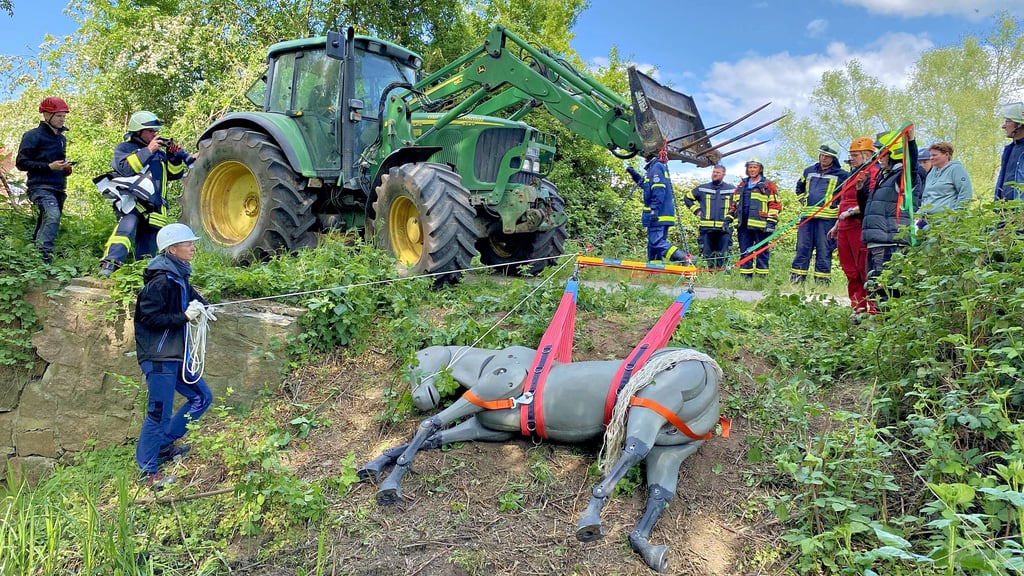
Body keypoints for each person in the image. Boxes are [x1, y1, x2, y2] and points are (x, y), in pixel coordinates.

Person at [134, 223, 214, 490]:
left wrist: (203, 307)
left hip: (177, 356)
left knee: (202, 397)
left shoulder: (179, 276)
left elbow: (197, 300)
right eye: (188, 243)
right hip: (159, 358)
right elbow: (149, 318)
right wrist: (183, 317)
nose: (193, 247)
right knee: (158, 413)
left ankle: (163, 444)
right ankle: (148, 472)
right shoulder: (160, 280)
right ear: (172, 249)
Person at [99, 111, 194, 277]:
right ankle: (109, 266)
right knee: (124, 233)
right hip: (133, 202)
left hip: (155, 206)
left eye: (155, 131)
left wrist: (174, 158)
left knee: (148, 245)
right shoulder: (125, 148)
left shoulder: (159, 154)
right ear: (138, 131)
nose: (155, 134)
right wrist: (148, 150)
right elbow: (125, 169)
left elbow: (174, 174)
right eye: (151, 131)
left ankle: (141, 276)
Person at [861, 128, 923, 305]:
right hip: (876, 242)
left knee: (887, 291)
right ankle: (879, 327)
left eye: (883, 152)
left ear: (894, 154)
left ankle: (890, 328)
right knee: (874, 289)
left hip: (891, 243)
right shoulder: (883, 177)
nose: (879, 157)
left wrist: (910, 143)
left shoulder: (902, 177)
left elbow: (911, 164)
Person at [15, 97, 72, 264]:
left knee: (45, 221)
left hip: (58, 188)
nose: (62, 119)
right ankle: (42, 260)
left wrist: (65, 168)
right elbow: (21, 163)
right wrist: (49, 166)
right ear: (47, 115)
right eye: (59, 116)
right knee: (52, 215)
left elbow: (57, 163)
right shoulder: (32, 136)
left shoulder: (61, 139)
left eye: (64, 116)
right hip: (39, 187)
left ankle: (31, 259)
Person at [828, 137, 880, 317]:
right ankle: (857, 307)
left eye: (855, 155)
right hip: (844, 227)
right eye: (851, 155)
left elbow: (871, 200)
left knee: (864, 269)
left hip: (859, 225)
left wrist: (851, 213)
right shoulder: (851, 175)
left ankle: (872, 309)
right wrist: (837, 224)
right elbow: (843, 202)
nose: (852, 159)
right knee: (849, 269)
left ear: (868, 155)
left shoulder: (873, 172)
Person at [790, 144, 848, 284]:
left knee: (824, 251)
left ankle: (821, 284)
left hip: (828, 219)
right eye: (822, 155)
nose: (823, 158)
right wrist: (805, 202)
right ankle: (796, 282)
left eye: (827, 156)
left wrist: (836, 207)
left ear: (833, 158)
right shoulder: (809, 171)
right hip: (807, 218)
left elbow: (846, 196)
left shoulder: (842, 175)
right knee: (802, 248)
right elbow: (799, 188)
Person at [626, 151, 690, 263]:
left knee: (656, 242)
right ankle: (654, 270)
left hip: (659, 214)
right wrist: (634, 175)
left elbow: (659, 190)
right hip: (662, 213)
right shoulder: (655, 168)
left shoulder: (656, 168)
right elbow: (646, 186)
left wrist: (654, 209)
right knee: (653, 245)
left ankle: (684, 258)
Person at [726, 159, 780, 280]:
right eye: (750, 167)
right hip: (743, 225)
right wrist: (728, 218)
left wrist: (771, 222)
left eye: (754, 167)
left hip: (761, 225)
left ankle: (761, 279)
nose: (752, 170)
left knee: (762, 251)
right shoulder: (742, 185)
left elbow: (775, 204)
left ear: (760, 169)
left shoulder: (768, 185)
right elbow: (734, 204)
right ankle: (746, 278)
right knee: (745, 251)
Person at [684, 164, 735, 268]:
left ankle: (723, 276)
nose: (715, 174)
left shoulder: (732, 189)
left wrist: (731, 218)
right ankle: (708, 276)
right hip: (706, 229)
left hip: (724, 229)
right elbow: (687, 198)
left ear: (724, 174)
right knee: (706, 254)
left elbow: (738, 206)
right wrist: (696, 210)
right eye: (714, 172)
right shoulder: (703, 188)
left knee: (724, 254)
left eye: (718, 172)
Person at [918, 142, 973, 228]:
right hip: (927, 221)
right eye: (930, 155)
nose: (931, 158)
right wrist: (919, 214)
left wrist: (956, 217)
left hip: (945, 221)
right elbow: (926, 196)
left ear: (946, 155)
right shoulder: (931, 173)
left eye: (934, 155)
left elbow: (965, 194)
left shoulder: (956, 169)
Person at [995, 102, 1024, 201]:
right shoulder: (1009, 150)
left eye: (1007, 121)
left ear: (1019, 124)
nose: (1003, 126)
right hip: (1005, 210)